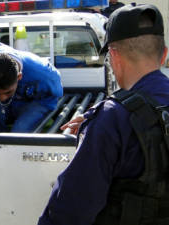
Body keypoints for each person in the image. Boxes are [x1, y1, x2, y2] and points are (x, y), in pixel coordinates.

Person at [38, 4, 169, 225]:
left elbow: (70, 212)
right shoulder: (111, 117)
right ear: (164, 55)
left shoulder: (111, 120)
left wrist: (98, 125)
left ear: (114, 56)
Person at [0, 45, 63, 132]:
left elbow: (55, 94)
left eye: (7, 92)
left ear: (19, 77)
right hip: (9, 103)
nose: (2, 98)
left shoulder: (45, 75)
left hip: (37, 102)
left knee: (20, 132)